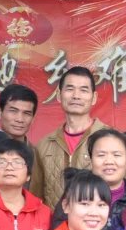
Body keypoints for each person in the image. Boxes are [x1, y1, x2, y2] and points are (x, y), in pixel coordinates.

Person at [30, 66, 108, 207]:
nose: (76, 96)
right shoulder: (44, 145)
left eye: (83, 90)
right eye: (70, 89)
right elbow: (35, 199)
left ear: (94, 97)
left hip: (99, 220)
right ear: (59, 95)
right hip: (56, 221)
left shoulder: (112, 140)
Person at [86, 128, 126, 226]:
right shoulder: (75, 196)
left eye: (117, 155)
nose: (109, 161)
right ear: (90, 161)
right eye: (101, 155)